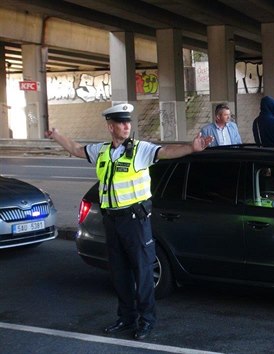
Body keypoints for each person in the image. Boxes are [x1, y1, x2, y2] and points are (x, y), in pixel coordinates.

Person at [44, 103, 213, 341]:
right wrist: (56, 136)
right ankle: (126, 317)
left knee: (143, 273)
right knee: (119, 272)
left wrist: (191, 148)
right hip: (112, 222)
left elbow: (165, 152)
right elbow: (76, 149)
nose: (126, 126)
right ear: (110, 126)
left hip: (135, 221)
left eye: (128, 122)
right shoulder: (102, 151)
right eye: (121, 122)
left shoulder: (140, 150)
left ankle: (146, 321)